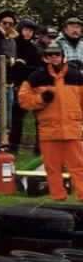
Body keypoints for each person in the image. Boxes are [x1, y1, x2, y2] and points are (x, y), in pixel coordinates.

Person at [17, 43, 83, 200]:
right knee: (52, 167)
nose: (54, 58)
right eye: (50, 55)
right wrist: (41, 99)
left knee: (79, 165)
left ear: (63, 56)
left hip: (72, 128)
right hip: (49, 129)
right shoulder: (35, 77)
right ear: (44, 58)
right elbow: (24, 100)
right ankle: (58, 196)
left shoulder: (77, 76)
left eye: (57, 54)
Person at [11, 17, 43, 153]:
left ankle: (39, 149)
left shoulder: (34, 48)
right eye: (26, 30)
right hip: (16, 86)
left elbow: (37, 68)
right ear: (20, 29)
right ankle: (13, 148)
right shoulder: (13, 44)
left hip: (32, 87)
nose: (28, 33)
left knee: (39, 119)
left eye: (31, 30)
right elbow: (12, 67)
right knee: (16, 120)